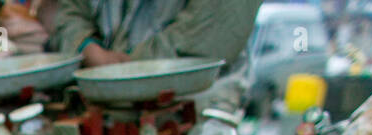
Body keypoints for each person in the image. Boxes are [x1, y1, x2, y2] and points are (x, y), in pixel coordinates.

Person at [50, 0, 263, 69]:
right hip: (101, 105)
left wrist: (117, 68)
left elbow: (203, 43)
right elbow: (71, 11)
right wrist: (86, 48)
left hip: (194, 109)